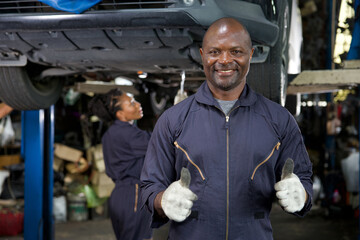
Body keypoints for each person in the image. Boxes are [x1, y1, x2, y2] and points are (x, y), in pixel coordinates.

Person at [140, 18, 313, 239]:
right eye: (214, 52)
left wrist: (302, 195)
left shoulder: (279, 120)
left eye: (236, 52)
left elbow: (304, 179)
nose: (224, 60)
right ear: (202, 55)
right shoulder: (173, 120)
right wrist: (162, 200)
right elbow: (149, 185)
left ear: (250, 54)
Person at [88, 89, 153, 240]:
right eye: (131, 103)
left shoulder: (111, 133)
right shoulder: (127, 134)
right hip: (134, 194)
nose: (137, 104)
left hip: (120, 194)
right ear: (120, 114)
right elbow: (159, 143)